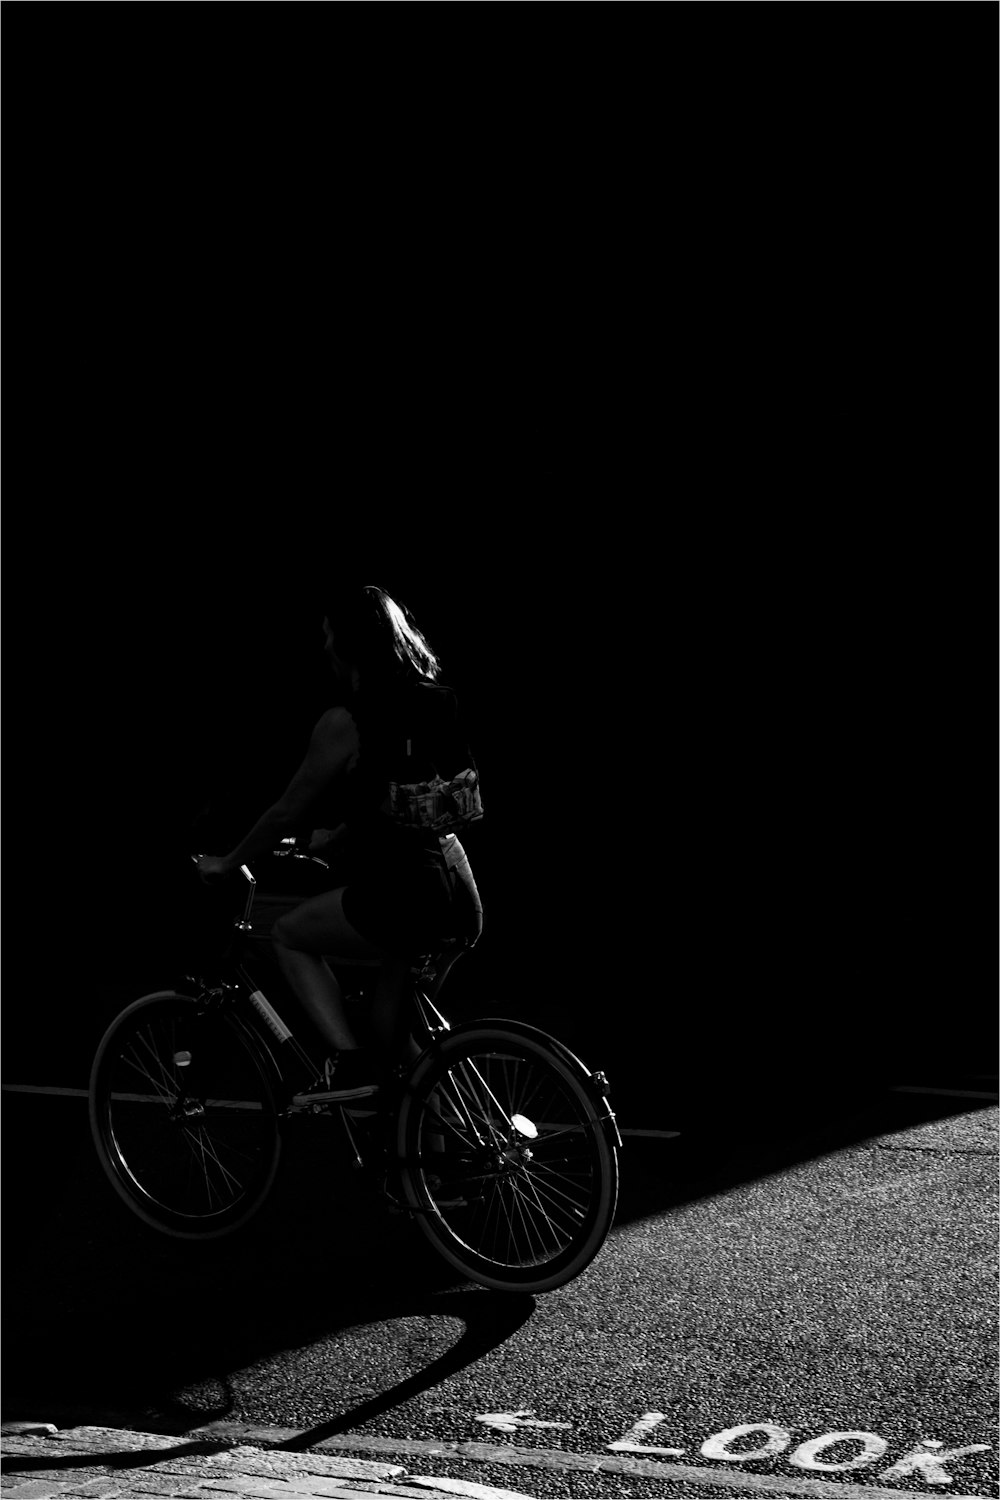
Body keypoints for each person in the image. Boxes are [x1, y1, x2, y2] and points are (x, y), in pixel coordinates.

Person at [196, 585, 484, 1097]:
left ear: (350, 645)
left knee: (287, 934)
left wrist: (229, 861)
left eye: (329, 636)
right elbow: (408, 801)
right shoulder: (422, 703)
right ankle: (433, 1170)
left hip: (408, 896)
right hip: (456, 889)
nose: (324, 646)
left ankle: (346, 1066)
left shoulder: (345, 722)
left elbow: (288, 807)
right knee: (395, 1034)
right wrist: (339, 835)